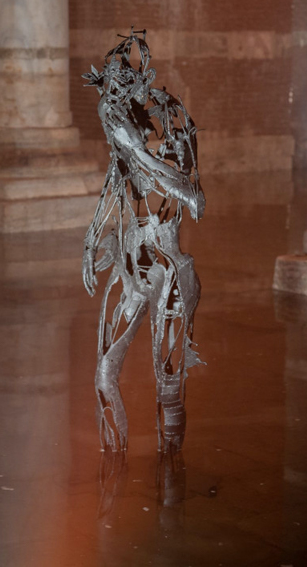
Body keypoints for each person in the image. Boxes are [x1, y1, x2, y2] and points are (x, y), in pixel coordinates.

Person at [82, 30, 205, 454]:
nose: (111, 93)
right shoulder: (116, 118)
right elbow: (115, 179)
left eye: (120, 81)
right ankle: (112, 462)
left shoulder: (169, 115)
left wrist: (150, 161)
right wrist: (92, 238)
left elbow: (191, 192)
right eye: (108, 84)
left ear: (139, 76)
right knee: (103, 373)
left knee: (168, 380)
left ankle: (171, 482)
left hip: (166, 268)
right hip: (130, 267)